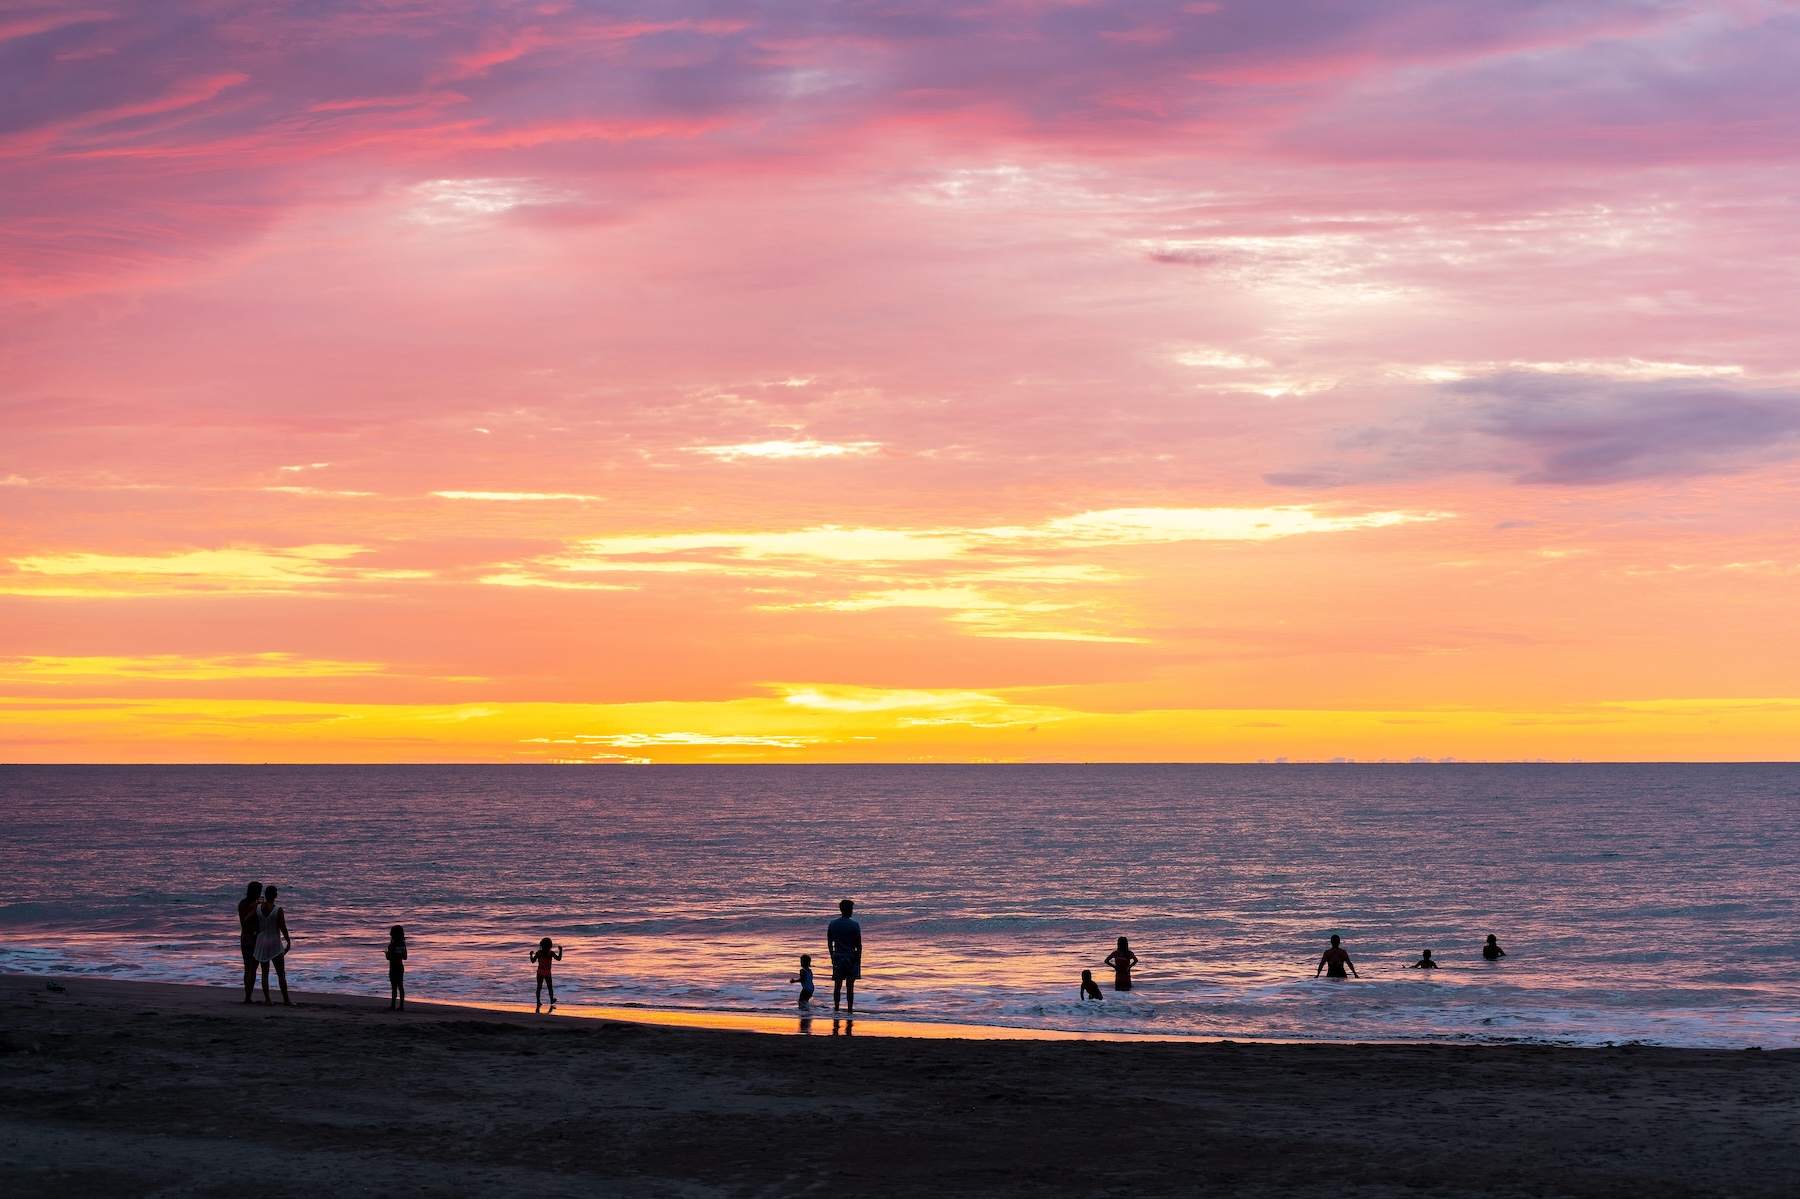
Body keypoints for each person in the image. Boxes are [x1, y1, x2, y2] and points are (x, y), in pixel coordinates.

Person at [253, 885, 294, 1005]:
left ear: (265, 895)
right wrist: (288, 941)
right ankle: (286, 999)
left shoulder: (258, 908)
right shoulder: (277, 909)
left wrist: (256, 931)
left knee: (264, 972)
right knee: (281, 973)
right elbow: (283, 927)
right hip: (274, 941)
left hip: (261, 941)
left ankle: (267, 999)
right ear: (275, 895)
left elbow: (249, 922)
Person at [827, 899, 862, 1012]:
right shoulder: (854, 925)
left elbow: (830, 943)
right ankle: (849, 1009)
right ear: (848, 910)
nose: (852, 911)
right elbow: (858, 944)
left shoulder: (833, 924)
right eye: (851, 909)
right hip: (851, 957)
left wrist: (832, 955)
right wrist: (859, 958)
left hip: (838, 956)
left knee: (837, 985)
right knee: (850, 986)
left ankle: (836, 1007)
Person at [237, 881, 263, 1004]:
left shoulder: (242, 903)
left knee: (247, 967)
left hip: (244, 937)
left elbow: (242, 922)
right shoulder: (256, 905)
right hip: (254, 937)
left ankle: (247, 996)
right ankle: (248, 996)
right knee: (253, 968)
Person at [531, 938, 562, 1011]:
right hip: (547, 972)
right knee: (550, 987)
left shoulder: (539, 953)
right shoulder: (550, 953)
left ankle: (538, 1001)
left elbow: (532, 961)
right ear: (550, 946)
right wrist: (560, 950)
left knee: (539, 987)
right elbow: (558, 958)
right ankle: (551, 1000)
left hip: (540, 971)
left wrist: (531, 955)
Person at [385, 925, 408, 1011]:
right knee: (400, 986)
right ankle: (401, 1005)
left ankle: (393, 1005)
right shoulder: (403, 944)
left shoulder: (392, 945)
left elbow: (389, 957)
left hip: (393, 967)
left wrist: (387, 954)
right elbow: (405, 957)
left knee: (394, 987)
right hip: (400, 967)